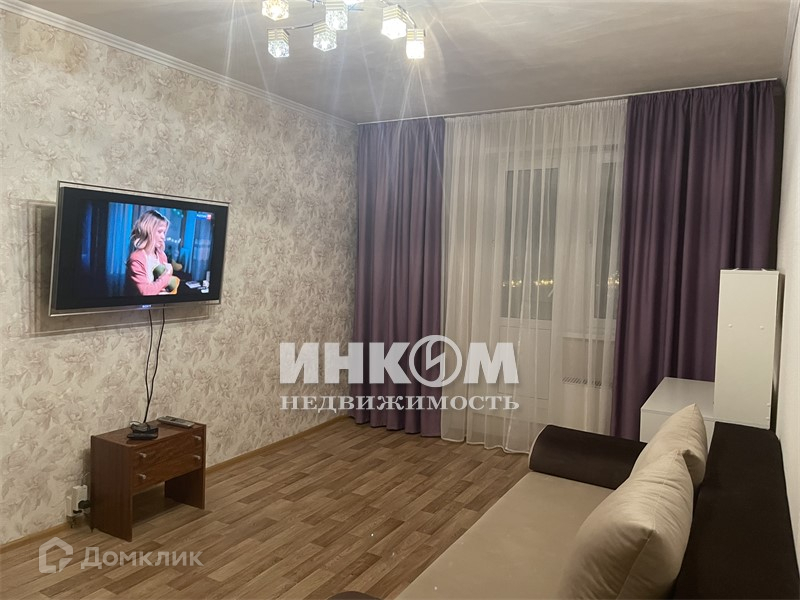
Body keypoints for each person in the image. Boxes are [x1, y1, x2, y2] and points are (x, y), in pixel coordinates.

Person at [126, 209, 174, 295]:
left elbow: (163, 286)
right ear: (148, 231)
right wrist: (167, 275)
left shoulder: (162, 255)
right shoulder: (136, 259)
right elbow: (147, 292)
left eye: (164, 232)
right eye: (160, 232)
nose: (163, 237)